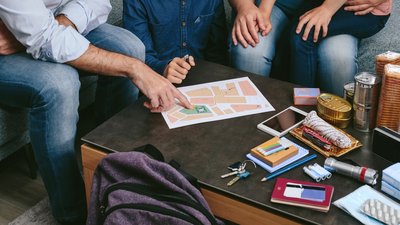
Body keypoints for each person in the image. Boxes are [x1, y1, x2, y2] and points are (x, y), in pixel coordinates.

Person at [0, 1, 192, 224]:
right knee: (59, 85)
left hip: (45, 23)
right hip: (16, 40)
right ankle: (71, 214)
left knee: (130, 48)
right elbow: (45, 40)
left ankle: (111, 176)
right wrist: (135, 69)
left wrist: (63, 22)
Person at [229, 0, 388, 96]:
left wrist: (327, 9)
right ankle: (256, 124)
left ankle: (336, 130)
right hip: (289, 7)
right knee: (251, 50)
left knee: (337, 58)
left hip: (337, 8)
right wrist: (259, 10)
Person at [290, 0, 391, 92]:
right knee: (298, 27)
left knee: (304, 34)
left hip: (365, 9)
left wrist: (327, 10)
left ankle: (304, 108)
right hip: (330, 5)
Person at [123, 0, 228, 84]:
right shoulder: (136, 1)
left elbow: (218, 51)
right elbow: (138, 56)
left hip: (205, 81)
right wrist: (163, 68)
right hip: (157, 84)